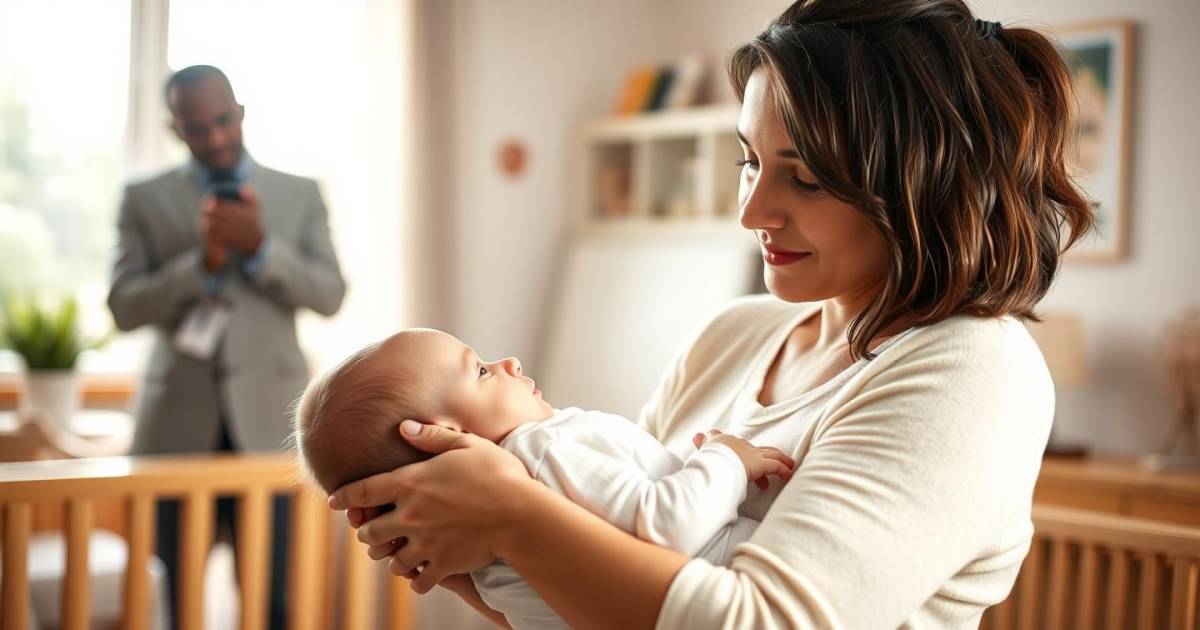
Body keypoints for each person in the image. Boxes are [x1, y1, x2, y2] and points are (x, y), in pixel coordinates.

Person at [328, 0, 1094, 627]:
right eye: (749, 163)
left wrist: (509, 517)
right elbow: (611, 592)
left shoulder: (970, 370)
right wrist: (476, 568)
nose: (753, 211)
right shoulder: (733, 334)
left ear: (924, 183)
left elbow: (756, 622)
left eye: (806, 180)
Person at [292, 328, 794, 629]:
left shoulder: (478, 559)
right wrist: (725, 459)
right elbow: (669, 528)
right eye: (482, 372)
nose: (508, 363)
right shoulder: (543, 447)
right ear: (438, 436)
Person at [107, 64, 345, 630]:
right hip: (174, 432)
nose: (214, 137)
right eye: (197, 127)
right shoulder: (143, 199)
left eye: (222, 120)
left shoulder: (299, 194)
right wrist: (201, 267)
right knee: (174, 605)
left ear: (239, 113)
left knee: (275, 603)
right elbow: (122, 306)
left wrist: (261, 247)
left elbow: (331, 294)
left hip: (273, 429)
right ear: (175, 129)